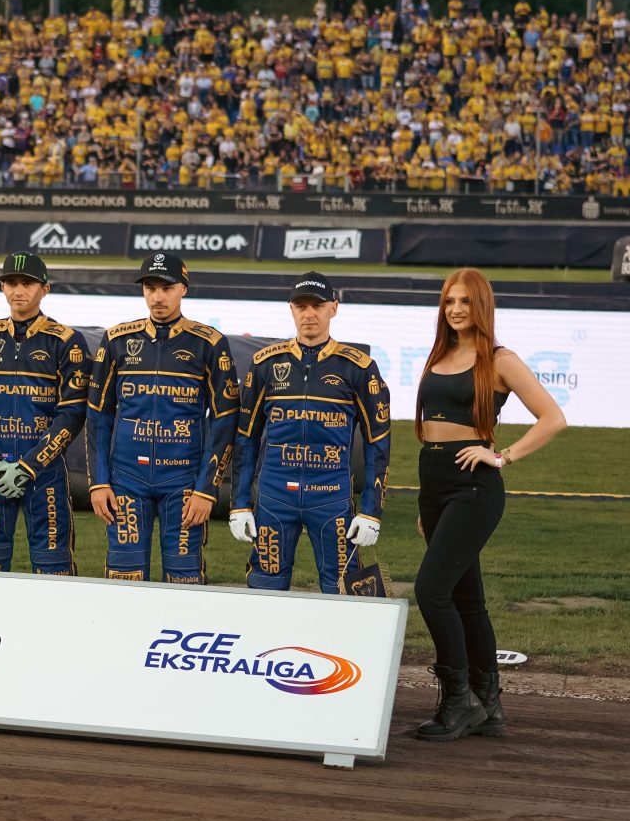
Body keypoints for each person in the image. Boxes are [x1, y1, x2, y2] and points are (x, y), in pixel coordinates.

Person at [412, 268, 565, 742]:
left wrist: (501, 457)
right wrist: (426, 505)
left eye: (464, 301)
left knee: (431, 591)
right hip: (434, 484)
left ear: (481, 306)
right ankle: (488, 704)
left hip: (473, 487)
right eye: (449, 301)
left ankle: (459, 702)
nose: (455, 309)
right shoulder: (440, 354)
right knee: (467, 599)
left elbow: (553, 417)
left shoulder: (500, 359)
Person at [229, 271, 390, 593]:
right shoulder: (265, 364)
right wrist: (240, 503)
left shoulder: (358, 367)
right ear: (291, 309)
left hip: (331, 497)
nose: (309, 314)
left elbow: (378, 443)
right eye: (301, 306)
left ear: (334, 308)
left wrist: (372, 511)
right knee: (264, 586)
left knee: (343, 590)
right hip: (274, 497)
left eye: (317, 305)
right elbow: (245, 439)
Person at [87, 253, 238, 584]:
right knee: (123, 577)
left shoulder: (210, 343)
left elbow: (225, 421)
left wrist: (206, 489)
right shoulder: (116, 340)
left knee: (183, 578)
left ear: (183, 288)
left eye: (167, 288)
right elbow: (98, 416)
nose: (157, 297)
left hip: (183, 483)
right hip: (126, 480)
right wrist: (99, 482)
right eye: (150, 288)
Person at [0, 252, 89, 574]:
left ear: (45, 289)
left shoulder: (68, 341)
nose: (18, 290)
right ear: (2, 288)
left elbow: (72, 413)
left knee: (54, 566)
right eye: (11, 283)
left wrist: (29, 466)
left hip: (44, 473)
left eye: (27, 283)